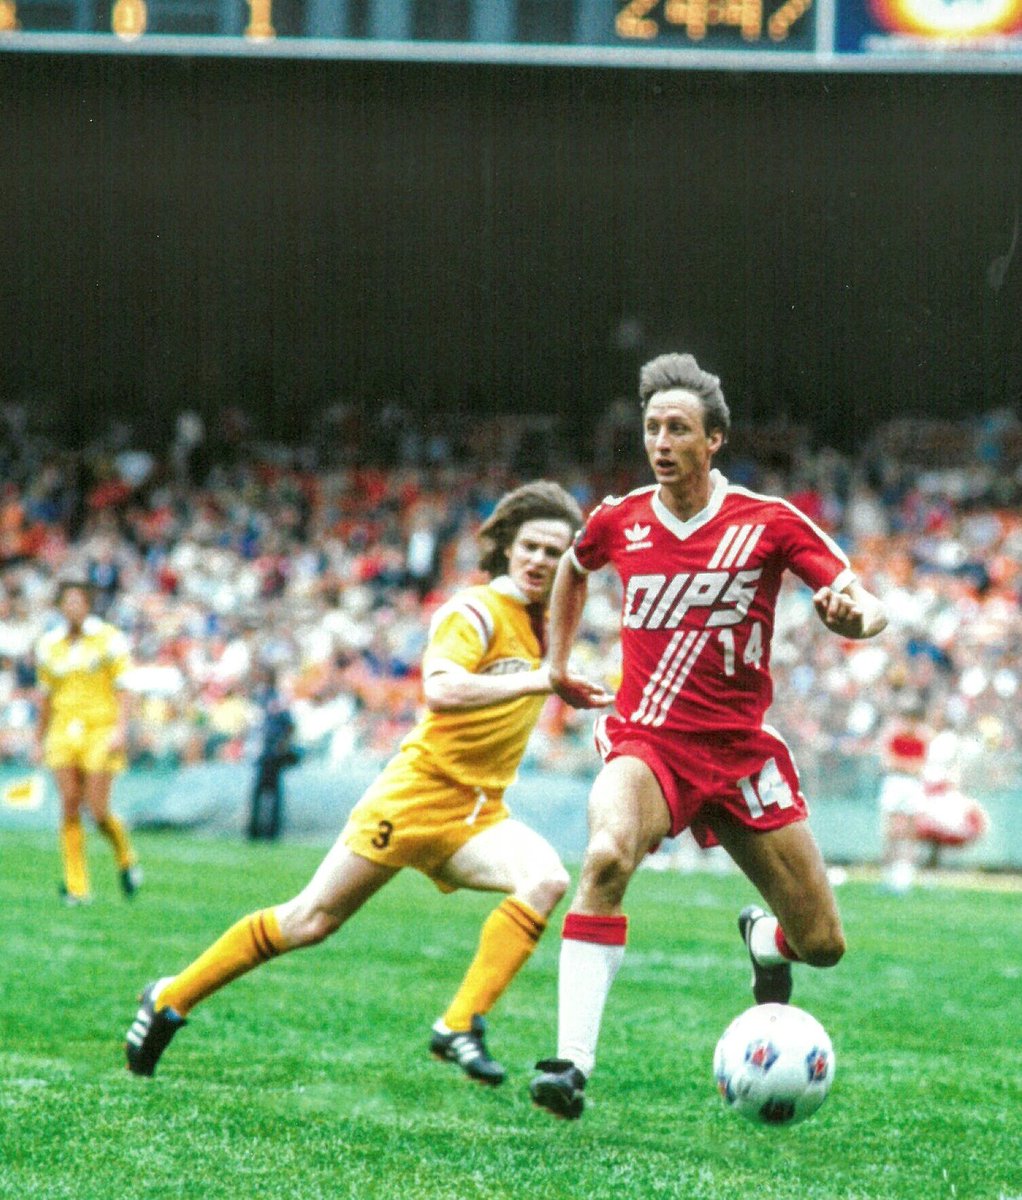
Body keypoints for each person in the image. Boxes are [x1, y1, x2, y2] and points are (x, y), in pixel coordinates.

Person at [125, 480, 612, 1082]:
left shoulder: (549, 623)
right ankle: (170, 999)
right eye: (531, 547)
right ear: (507, 547)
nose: (541, 561)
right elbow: (440, 689)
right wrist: (543, 680)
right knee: (310, 921)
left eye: (554, 552)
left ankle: (458, 1024)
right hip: (414, 797)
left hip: (478, 812)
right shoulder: (477, 610)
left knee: (545, 879)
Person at [529, 353, 888, 1119]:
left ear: (714, 439)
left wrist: (858, 618)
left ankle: (766, 943)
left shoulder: (766, 523)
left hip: (737, 753)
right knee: (605, 854)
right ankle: (569, 1066)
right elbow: (573, 566)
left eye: (678, 428)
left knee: (822, 944)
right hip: (648, 745)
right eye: (653, 427)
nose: (661, 441)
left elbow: (855, 594)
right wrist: (556, 665)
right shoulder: (619, 520)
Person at [34, 579, 142, 905]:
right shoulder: (49, 645)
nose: (73, 608)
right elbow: (47, 696)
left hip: (100, 728)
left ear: (88, 605)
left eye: (78, 601)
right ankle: (77, 885)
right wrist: (39, 739)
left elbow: (124, 688)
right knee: (69, 804)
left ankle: (125, 854)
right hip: (63, 731)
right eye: (67, 602)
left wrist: (121, 729)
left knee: (96, 809)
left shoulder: (108, 639)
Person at [877, 694, 932, 894]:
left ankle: (905, 875)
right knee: (891, 829)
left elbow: (920, 765)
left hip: (911, 784)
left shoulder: (922, 737)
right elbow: (887, 761)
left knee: (910, 829)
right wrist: (906, 766)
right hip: (895, 782)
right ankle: (888, 874)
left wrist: (903, 766)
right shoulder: (894, 734)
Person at [247, 667, 300, 842]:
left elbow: (289, 725)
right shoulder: (263, 698)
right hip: (264, 751)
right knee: (263, 792)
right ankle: (257, 831)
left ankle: (267, 832)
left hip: (271, 752)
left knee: (269, 793)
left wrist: (281, 746)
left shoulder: (275, 699)